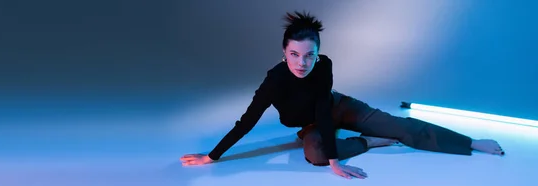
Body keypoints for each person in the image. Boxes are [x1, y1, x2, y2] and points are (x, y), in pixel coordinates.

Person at [180, 11, 504, 179]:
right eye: (294, 55)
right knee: (317, 156)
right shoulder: (274, 81)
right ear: (283, 53)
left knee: (402, 127)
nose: (302, 63)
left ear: (318, 54)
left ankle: (470, 143)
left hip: (341, 107)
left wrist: (472, 144)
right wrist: (213, 156)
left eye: (310, 55)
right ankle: (369, 141)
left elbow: (324, 106)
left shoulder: (323, 66)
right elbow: (247, 121)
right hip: (310, 126)